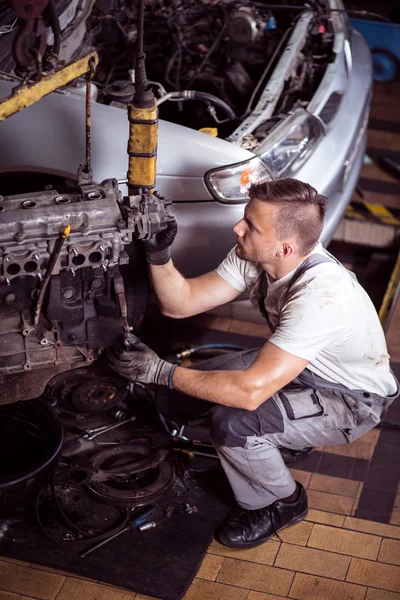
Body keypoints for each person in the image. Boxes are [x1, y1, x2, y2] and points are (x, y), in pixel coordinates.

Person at [107, 178, 399, 549]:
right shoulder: (258, 256)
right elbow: (180, 303)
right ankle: (281, 444)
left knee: (233, 422)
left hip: (349, 399)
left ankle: (280, 503)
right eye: (244, 218)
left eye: (250, 226)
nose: (237, 228)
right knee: (188, 391)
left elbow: (247, 394)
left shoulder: (322, 298)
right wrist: (158, 256)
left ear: (285, 248)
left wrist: (160, 372)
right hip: (305, 367)